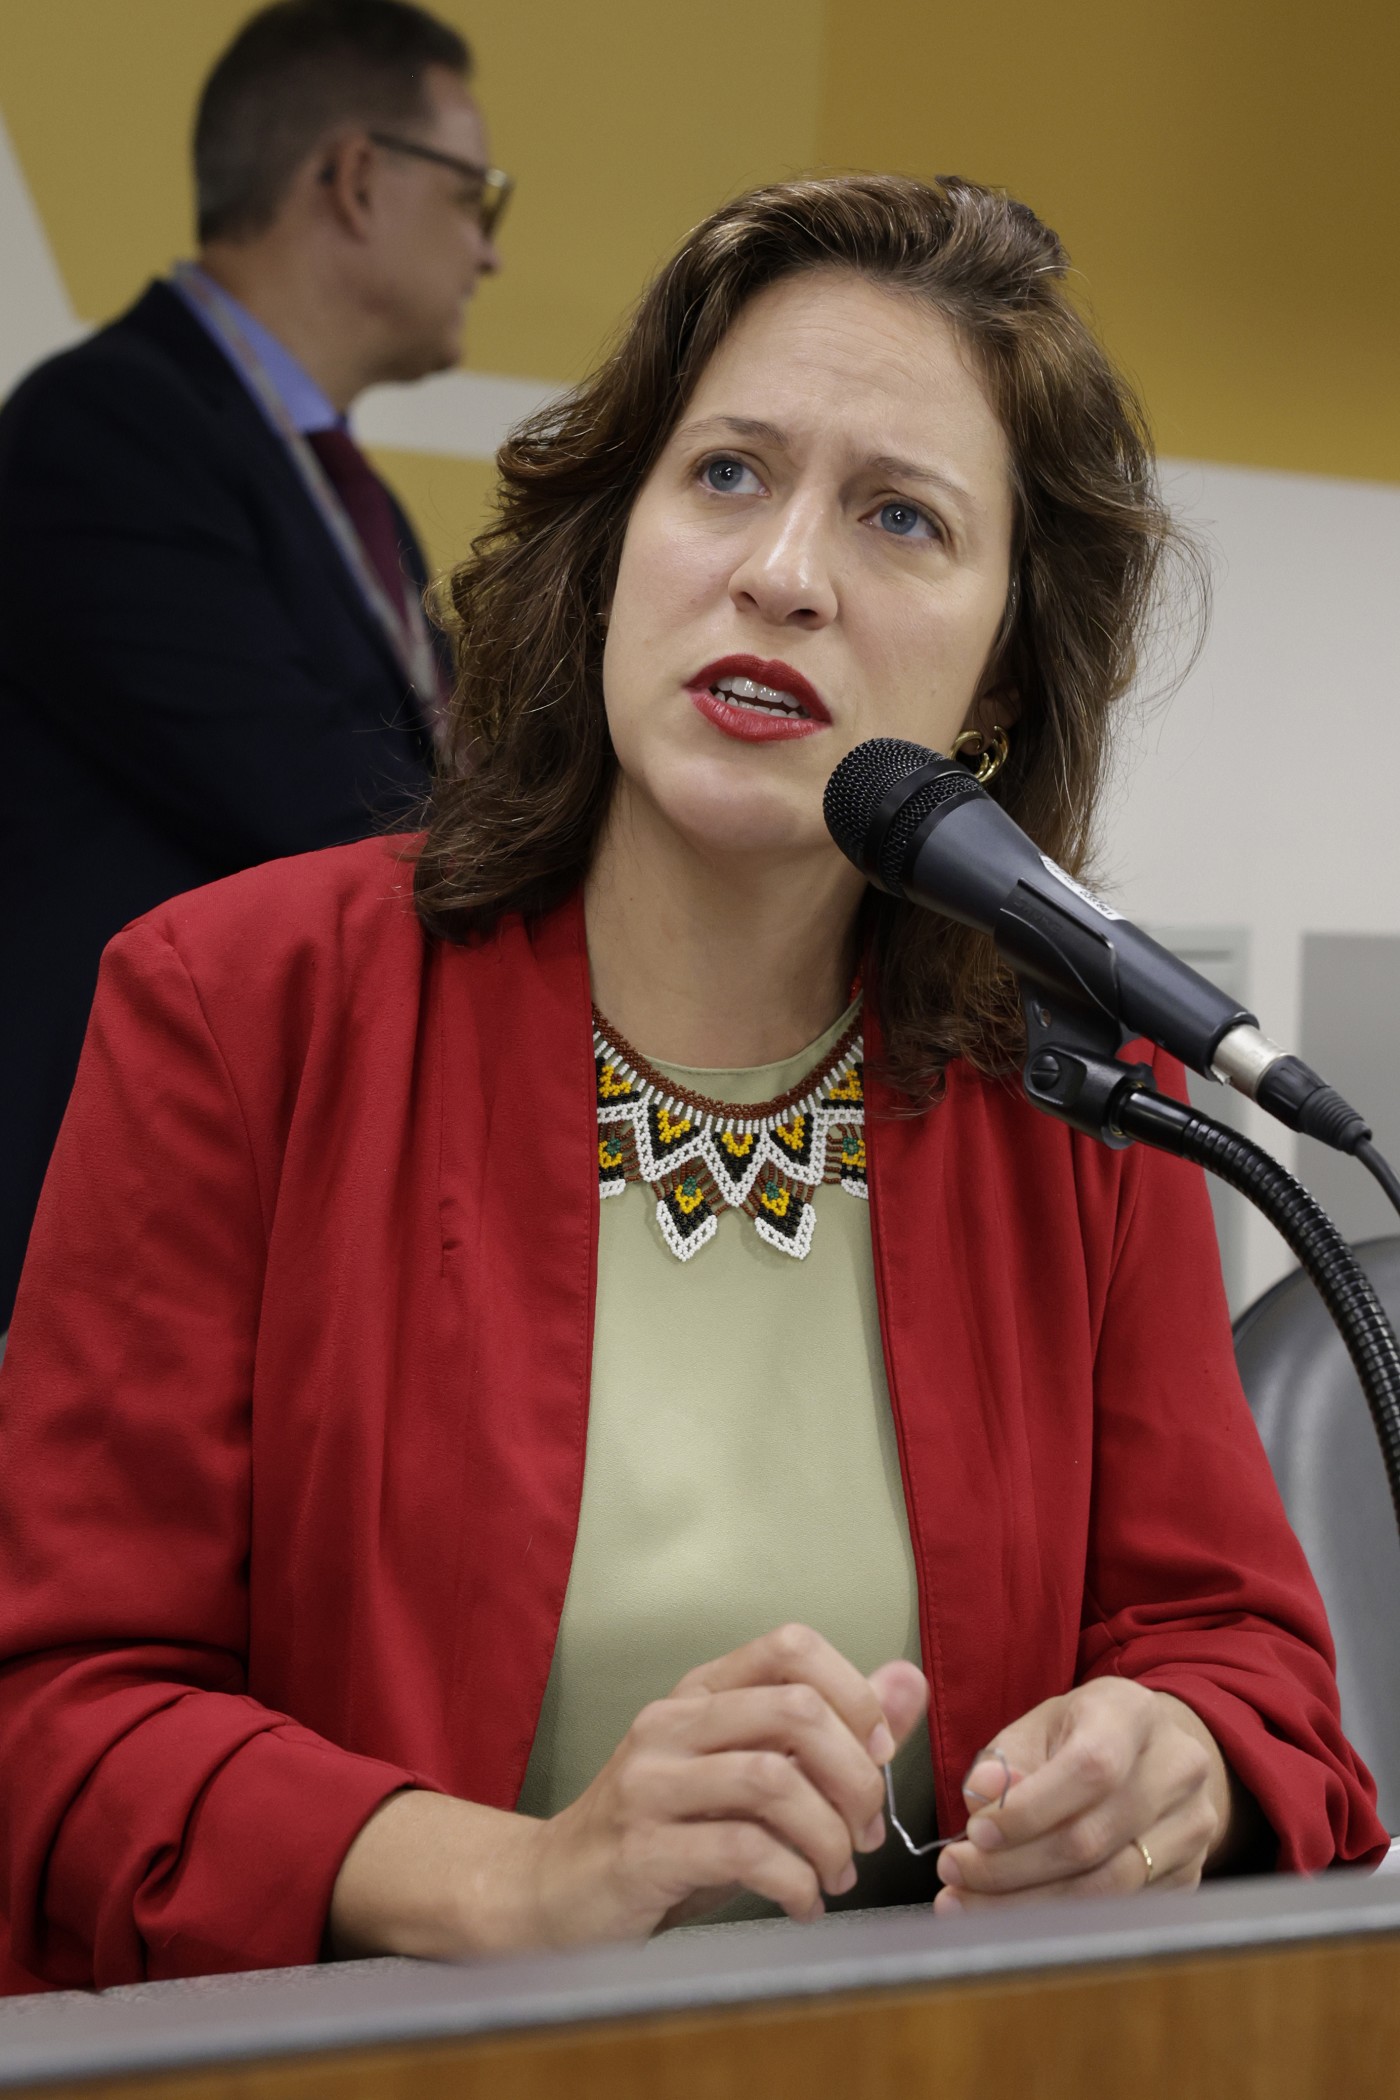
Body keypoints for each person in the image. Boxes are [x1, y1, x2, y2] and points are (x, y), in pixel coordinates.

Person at [0, 173, 1385, 1994]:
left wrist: (1168, 1765)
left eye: (900, 517)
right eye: (726, 472)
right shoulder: (239, 1010)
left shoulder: (1077, 1089)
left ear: (997, 677)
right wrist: (521, 1883)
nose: (784, 572)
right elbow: (62, 1714)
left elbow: (1246, 1661)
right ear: (614, 546)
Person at [0, 0, 507, 1330]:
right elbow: (314, 798)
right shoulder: (104, 431)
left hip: (243, 1214)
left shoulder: (347, 498)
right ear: (355, 179)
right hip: (90, 1225)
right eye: (475, 195)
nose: (490, 250)